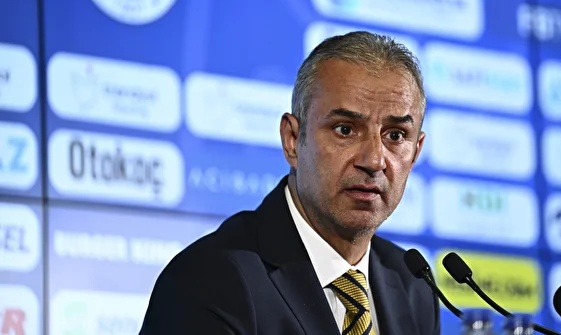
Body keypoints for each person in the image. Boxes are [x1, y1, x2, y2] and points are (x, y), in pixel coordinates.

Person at [139, 31, 440, 335]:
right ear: (293, 140)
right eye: (345, 129)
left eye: (395, 135)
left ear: (415, 153)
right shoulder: (208, 280)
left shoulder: (414, 286)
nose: (374, 160)